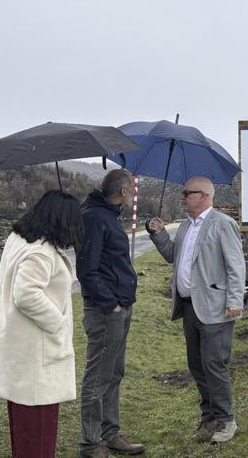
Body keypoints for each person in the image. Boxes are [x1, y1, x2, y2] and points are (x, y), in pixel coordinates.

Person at [0, 190, 83, 458]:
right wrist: (57, 323)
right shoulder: (41, 252)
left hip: (21, 350)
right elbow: (26, 294)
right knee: (37, 438)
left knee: (25, 433)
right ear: (62, 220)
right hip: (36, 355)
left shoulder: (19, 239)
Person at [146, 176, 245, 444]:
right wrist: (158, 234)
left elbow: (236, 266)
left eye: (187, 193)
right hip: (190, 307)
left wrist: (235, 301)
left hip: (216, 308)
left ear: (202, 196)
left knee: (213, 364)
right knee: (197, 365)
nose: (182, 197)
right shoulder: (186, 227)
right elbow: (172, 257)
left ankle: (226, 421)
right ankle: (209, 418)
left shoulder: (223, 224)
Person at [76, 169, 144, 458]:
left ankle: (110, 434)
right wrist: (111, 304)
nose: (134, 195)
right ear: (124, 192)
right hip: (106, 311)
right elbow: (87, 272)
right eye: (133, 190)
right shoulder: (94, 217)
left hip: (119, 307)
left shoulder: (107, 214)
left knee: (114, 373)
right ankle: (91, 444)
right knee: (98, 377)